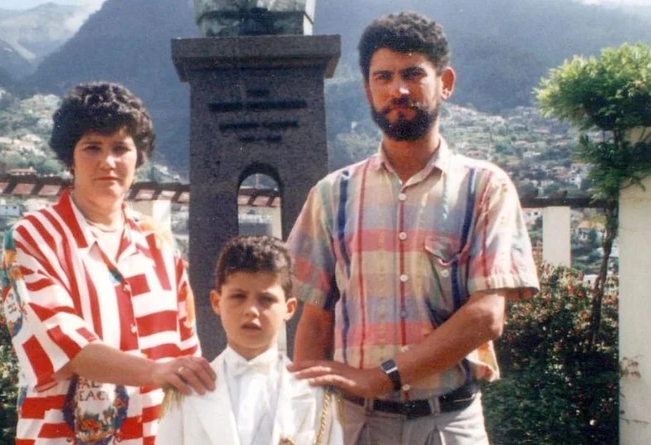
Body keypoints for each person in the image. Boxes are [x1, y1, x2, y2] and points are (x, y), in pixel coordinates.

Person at [286, 11, 540, 445]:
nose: (397, 90)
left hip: (448, 423)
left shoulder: (484, 188)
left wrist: (381, 377)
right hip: (355, 425)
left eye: (413, 75)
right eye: (382, 77)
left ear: (446, 82)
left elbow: (486, 317)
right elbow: (315, 317)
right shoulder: (333, 195)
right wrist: (305, 416)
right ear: (368, 89)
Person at [1, 81, 216, 445]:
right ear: (70, 157)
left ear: (138, 158)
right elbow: (70, 347)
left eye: (120, 147)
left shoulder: (160, 243)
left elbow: (186, 353)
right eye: (92, 148)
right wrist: (155, 370)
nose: (108, 162)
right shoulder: (33, 237)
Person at [157, 236, 343, 445]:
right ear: (216, 302)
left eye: (266, 299)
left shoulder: (314, 394)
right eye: (238, 296)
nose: (251, 311)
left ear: (289, 308)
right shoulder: (186, 390)